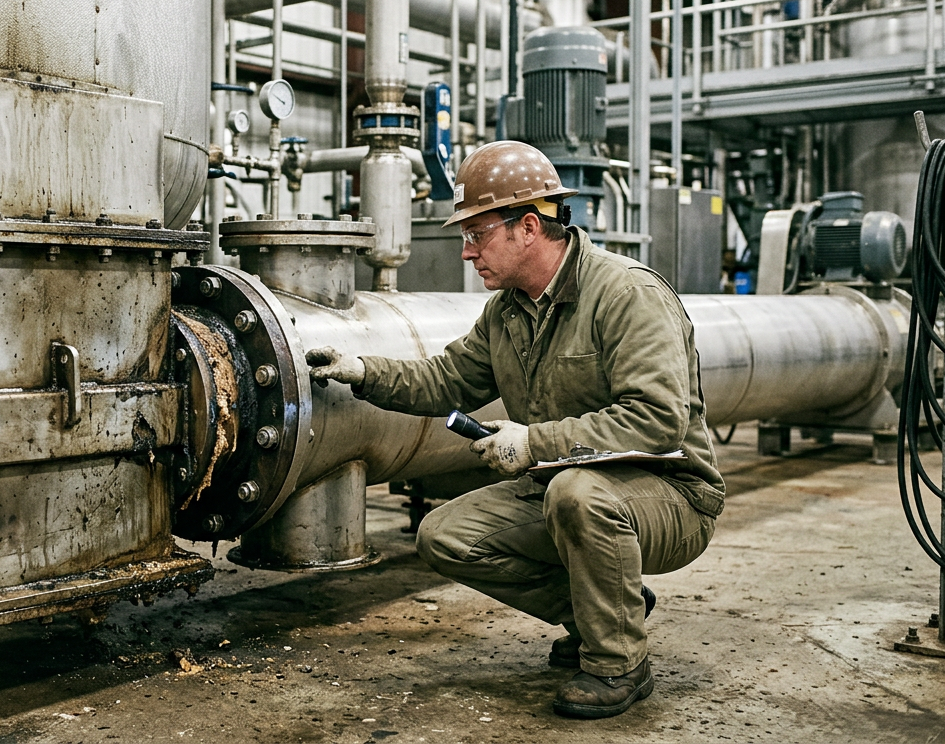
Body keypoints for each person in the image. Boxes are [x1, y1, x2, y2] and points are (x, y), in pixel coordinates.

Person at [306, 140, 724, 719]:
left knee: (578, 495)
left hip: (671, 494)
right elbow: (446, 380)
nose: (466, 252)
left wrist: (532, 441)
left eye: (477, 235)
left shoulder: (626, 294)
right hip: (563, 485)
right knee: (445, 535)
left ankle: (619, 663)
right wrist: (362, 371)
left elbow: (657, 418)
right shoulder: (508, 310)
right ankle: (600, 612)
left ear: (528, 227)